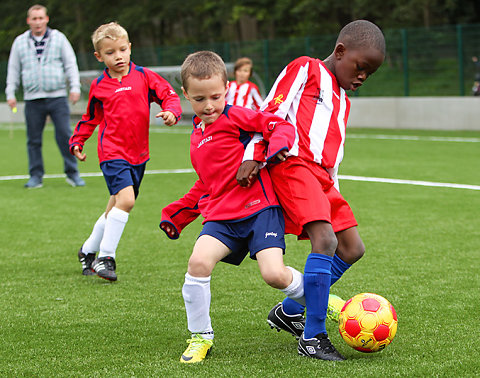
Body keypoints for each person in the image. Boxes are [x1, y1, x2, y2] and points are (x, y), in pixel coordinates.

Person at [236, 19, 386, 361]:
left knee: (352, 247)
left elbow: (334, 152)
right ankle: (313, 336)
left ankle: (289, 310)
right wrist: (253, 155)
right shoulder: (306, 69)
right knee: (326, 241)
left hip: (323, 178)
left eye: (369, 73)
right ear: (340, 51)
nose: (362, 76)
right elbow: (270, 113)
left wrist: (333, 187)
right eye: (360, 67)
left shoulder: (343, 100)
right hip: (292, 164)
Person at [159, 51, 305, 364]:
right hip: (222, 217)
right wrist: (178, 214)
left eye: (215, 96)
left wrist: (275, 148)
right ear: (186, 95)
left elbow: (278, 126)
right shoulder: (196, 135)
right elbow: (206, 184)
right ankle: (200, 337)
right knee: (198, 263)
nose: (208, 105)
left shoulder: (237, 116)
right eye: (199, 99)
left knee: (274, 274)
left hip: (259, 209)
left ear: (227, 87)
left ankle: (321, 302)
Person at [69, 22, 182, 281]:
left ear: (130, 48)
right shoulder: (99, 85)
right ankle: (105, 257)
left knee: (116, 206)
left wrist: (172, 112)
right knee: (127, 201)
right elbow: (90, 118)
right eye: (110, 52)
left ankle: (87, 251)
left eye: (122, 49)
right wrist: (78, 140)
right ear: (99, 56)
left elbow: (169, 95)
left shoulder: (144, 76)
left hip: (138, 154)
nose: (118, 56)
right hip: (111, 152)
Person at [5, 4, 85, 189]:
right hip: (33, 98)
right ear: (29, 21)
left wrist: (74, 87)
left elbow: (70, 64)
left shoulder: (59, 38)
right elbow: (13, 69)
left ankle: (72, 173)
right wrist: (10, 92)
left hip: (57, 97)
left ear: (47, 19)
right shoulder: (20, 42)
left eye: (41, 18)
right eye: (34, 18)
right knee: (33, 139)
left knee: (65, 135)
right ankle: (36, 176)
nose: (38, 22)